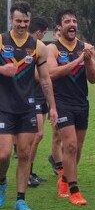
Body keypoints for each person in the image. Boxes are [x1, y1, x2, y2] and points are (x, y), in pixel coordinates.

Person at [0, 2, 58, 210]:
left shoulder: (38, 47)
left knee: (25, 154)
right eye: (18, 21)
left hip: (27, 107)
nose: (22, 25)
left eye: (26, 21)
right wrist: (2, 69)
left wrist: (52, 107)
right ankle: (2, 181)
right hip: (3, 106)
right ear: (10, 20)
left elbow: (45, 80)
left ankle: (21, 199)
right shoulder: (1, 41)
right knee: (3, 154)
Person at [47, 9, 95, 206]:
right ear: (59, 27)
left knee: (78, 149)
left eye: (74, 21)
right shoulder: (53, 49)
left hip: (81, 102)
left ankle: (65, 178)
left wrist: (89, 61)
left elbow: (93, 79)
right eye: (67, 21)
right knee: (70, 145)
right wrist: (78, 60)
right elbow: (52, 73)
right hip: (62, 103)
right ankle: (75, 191)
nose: (72, 24)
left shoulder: (86, 47)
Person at [27, 17, 51, 187]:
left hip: (41, 96)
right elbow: (38, 75)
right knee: (38, 135)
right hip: (32, 97)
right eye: (43, 32)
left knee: (37, 136)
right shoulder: (28, 48)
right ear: (38, 32)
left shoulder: (38, 48)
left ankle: (29, 171)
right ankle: (26, 173)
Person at [48, 25, 63, 176]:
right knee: (57, 134)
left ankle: (59, 160)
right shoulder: (51, 51)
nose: (60, 35)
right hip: (55, 97)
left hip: (74, 97)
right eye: (57, 32)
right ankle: (58, 166)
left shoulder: (74, 48)